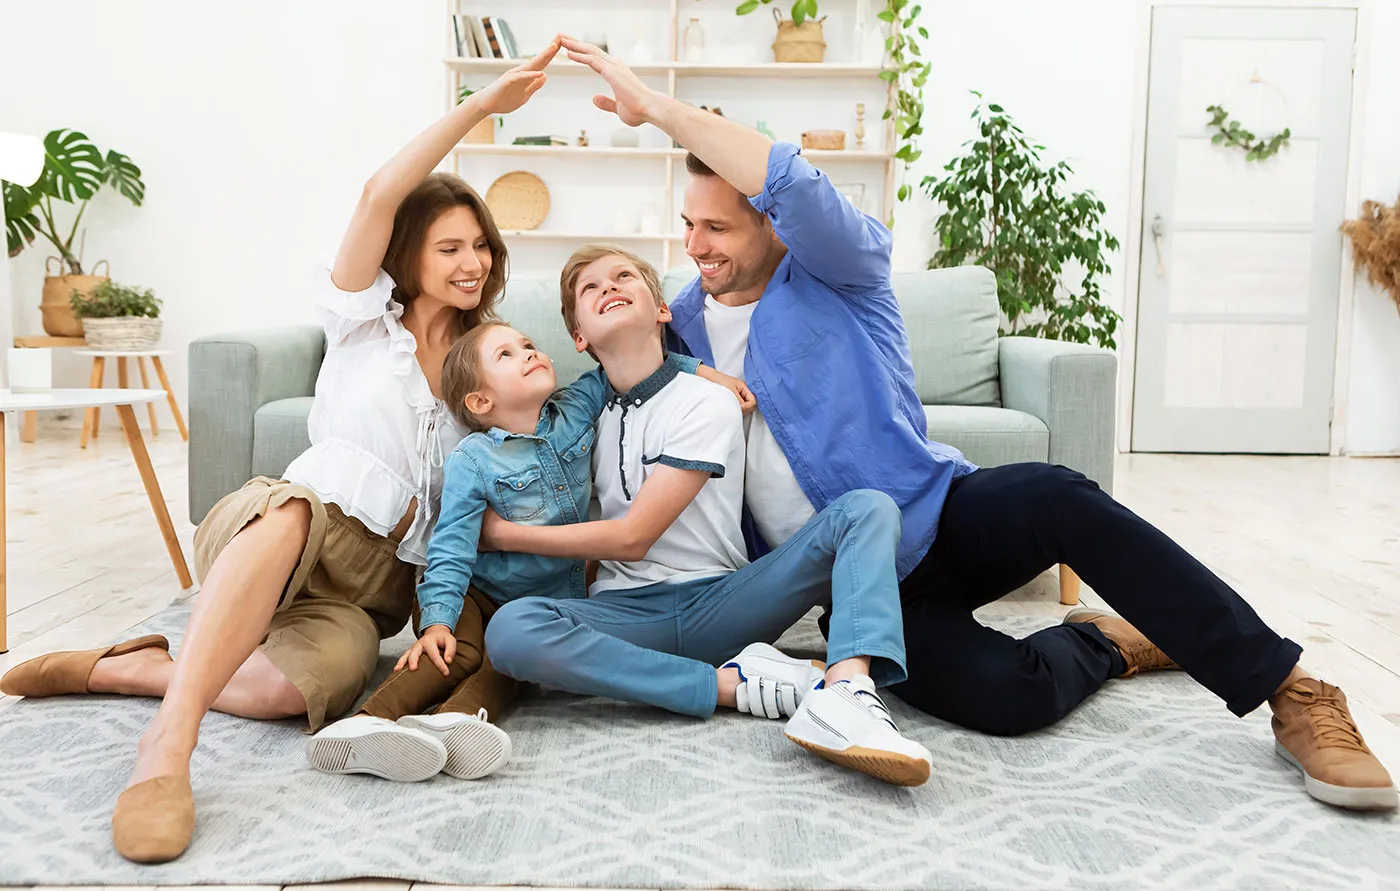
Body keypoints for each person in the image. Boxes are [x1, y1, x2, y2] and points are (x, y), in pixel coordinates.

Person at [555, 36, 1398, 811]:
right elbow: (611, 376)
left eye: (718, 226)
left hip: (938, 514)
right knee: (1006, 696)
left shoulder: (841, 269)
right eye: (689, 225)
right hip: (855, 584)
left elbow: (792, 179)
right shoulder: (683, 319)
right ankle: (1107, 644)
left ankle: (1293, 690)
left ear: (773, 225)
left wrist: (658, 108)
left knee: (1064, 497)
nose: (696, 244)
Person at [0, 42, 566, 863]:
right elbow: (379, 192)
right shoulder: (362, 319)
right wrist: (481, 107)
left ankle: (126, 669)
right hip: (291, 522)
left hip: (375, 586)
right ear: (408, 255)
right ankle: (167, 746)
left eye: (480, 246)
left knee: (288, 693)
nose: (473, 262)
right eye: (450, 247)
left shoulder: (489, 366)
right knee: (294, 510)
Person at [480, 245, 933, 787]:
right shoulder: (582, 415)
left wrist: (506, 535)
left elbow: (632, 538)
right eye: (590, 288)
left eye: (624, 276)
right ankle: (732, 686)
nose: (609, 287)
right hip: (626, 617)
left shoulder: (705, 401)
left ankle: (846, 692)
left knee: (866, 510)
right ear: (579, 338)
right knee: (510, 630)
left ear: (662, 311)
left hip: (720, 603)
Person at [303, 320, 752, 782]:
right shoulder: (473, 459)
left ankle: (453, 724)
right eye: (507, 355)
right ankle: (365, 726)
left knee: (506, 662)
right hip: (475, 593)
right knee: (455, 652)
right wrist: (438, 619)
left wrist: (709, 375)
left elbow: (634, 368)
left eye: (529, 345)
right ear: (480, 402)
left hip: (543, 604)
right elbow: (453, 545)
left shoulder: (575, 411)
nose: (529, 353)